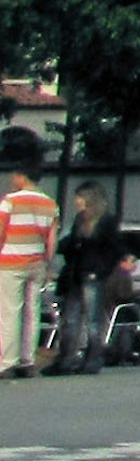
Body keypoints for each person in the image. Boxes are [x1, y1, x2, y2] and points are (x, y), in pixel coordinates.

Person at [0, 137, 54, 379]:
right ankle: (28, 359)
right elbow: (51, 239)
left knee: (10, 311)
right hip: (37, 263)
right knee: (32, 311)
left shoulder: (10, 201)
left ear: (22, 176)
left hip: (10, 262)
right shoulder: (50, 204)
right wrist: (46, 262)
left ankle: (6, 362)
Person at [56, 189, 124, 374]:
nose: (76, 201)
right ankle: (67, 358)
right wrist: (64, 247)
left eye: (79, 198)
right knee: (71, 319)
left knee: (93, 320)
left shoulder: (106, 222)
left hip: (93, 274)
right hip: (77, 273)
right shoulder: (80, 219)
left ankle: (93, 359)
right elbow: (72, 243)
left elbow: (115, 249)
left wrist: (102, 270)